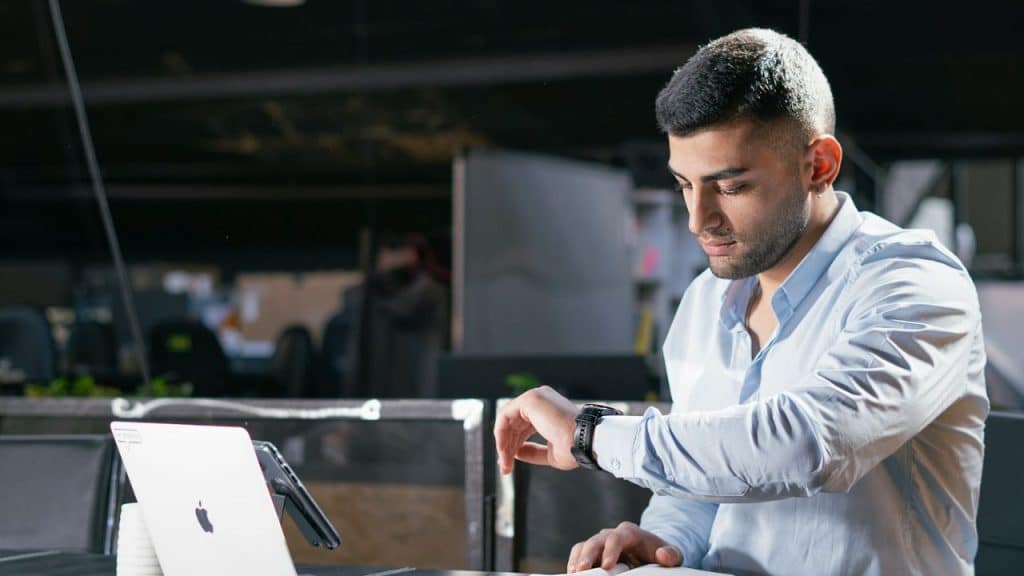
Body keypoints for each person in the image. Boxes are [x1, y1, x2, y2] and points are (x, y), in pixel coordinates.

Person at [494, 28, 987, 576]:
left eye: (730, 187)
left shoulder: (915, 281)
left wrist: (591, 434)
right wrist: (663, 540)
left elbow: (806, 444)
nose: (697, 220)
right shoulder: (705, 302)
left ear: (818, 165)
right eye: (685, 184)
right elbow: (706, 482)